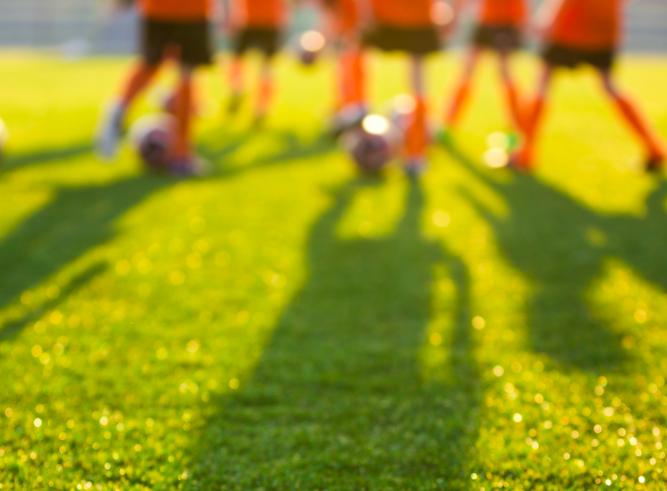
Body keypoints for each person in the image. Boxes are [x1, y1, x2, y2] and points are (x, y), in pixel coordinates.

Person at [513, 0, 667, 172]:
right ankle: (654, 148)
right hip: (604, 30)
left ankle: (525, 153)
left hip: (570, 28)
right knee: (610, 86)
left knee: (542, 84)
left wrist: (548, 21)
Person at [96, 0, 213, 175]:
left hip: (158, 7)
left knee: (151, 65)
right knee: (186, 76)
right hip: (193, 9)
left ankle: (119, 106)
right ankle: (181, 157)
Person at [363, 0, 452, 176]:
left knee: (355, 48)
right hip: (410, 16)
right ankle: (415, 155)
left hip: (395, 14)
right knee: (418, 84)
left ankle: (356, 112)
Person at [442, 0, 527, 142]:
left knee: (504, 74)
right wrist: (455, 16)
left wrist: (522, 21)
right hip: (486, 20)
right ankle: (448, 122)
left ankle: (517, 128)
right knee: (468, 71)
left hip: (506, 22)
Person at [224, 0, 287, 123]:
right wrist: (233, 17)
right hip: (248, 20)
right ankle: (237, 90)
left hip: (271, 21)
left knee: (267, 69)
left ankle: (261, 108)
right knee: (237, 61)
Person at [316, 0, 367, 134]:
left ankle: (355, 109)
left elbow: (354, 13)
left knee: (352, 70)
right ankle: (346, 107)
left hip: (354, 33)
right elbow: (332, 17)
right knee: (345, 71)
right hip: (348, 33)